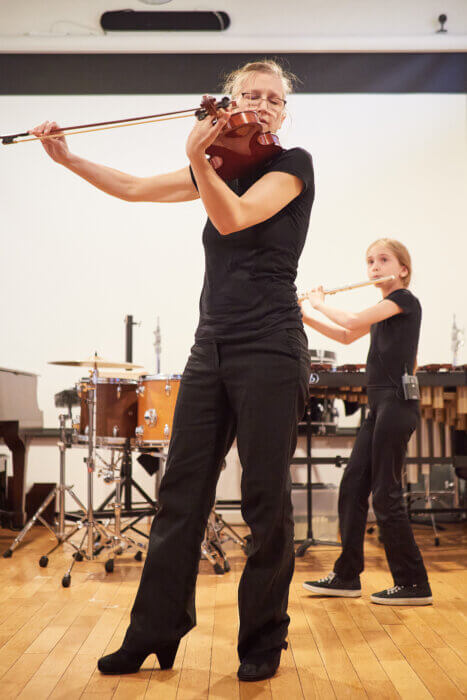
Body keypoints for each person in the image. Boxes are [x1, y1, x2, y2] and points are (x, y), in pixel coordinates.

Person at [31, 60, 315, 680]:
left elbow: (232, 218)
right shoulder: (219, 166)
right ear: (230, 102)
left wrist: (196, 154)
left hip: (271, 346)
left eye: (272, 98)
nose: (261, 105)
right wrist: (69, 160)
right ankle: (153, 631)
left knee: (267, 501)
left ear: (283, 112)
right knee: (179, 497)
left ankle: (264, 640)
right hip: (209, 347)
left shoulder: (292, 165)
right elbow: (134, 188)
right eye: (250, 95)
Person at [300, 238, 432, 605]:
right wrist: (306, 316)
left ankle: (413, 583)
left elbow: (352, 320)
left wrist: (320, 302)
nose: (374, 267)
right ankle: (346, 576)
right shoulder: (384, 308)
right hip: (380, 408)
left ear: (402, 269)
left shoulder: (404, 300)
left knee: (385, 495)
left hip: (396, 405)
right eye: (370, 261)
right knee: (353, 487)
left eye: (383, 260)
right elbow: (346, 334)